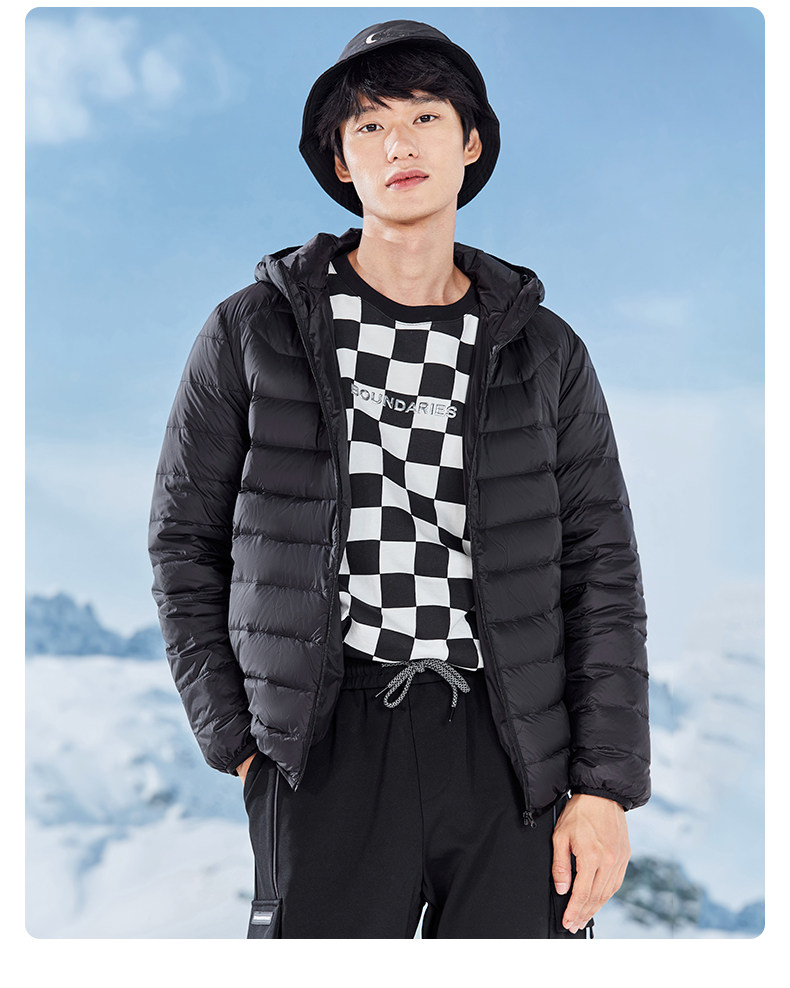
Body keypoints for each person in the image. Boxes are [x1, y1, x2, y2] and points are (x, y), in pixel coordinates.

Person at [148, 19, 650, 939]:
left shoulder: (543, 349)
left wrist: (604, 786)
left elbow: (601, 566)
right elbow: (185, 542)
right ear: (341, 162)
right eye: (370, 126)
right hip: (325, 739)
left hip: (511, 743)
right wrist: (242, 744)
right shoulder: (253, 330)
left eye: (425, 116)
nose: (399, 145)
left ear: (471, 143)